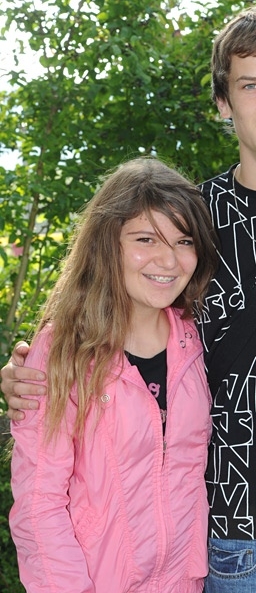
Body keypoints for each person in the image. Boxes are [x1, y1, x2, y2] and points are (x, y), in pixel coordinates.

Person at [2, 3, 256, 592]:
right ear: (224, 103)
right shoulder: (192, 222)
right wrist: (32, 373)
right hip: (240, 547)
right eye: (251, 85)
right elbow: (128, 338)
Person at [6, 157, 219, 593]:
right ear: (108, 244)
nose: (169, 260)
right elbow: (38, 505)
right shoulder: (64, 350)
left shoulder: (198, 341)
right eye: (146, 239)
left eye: (184, 241)